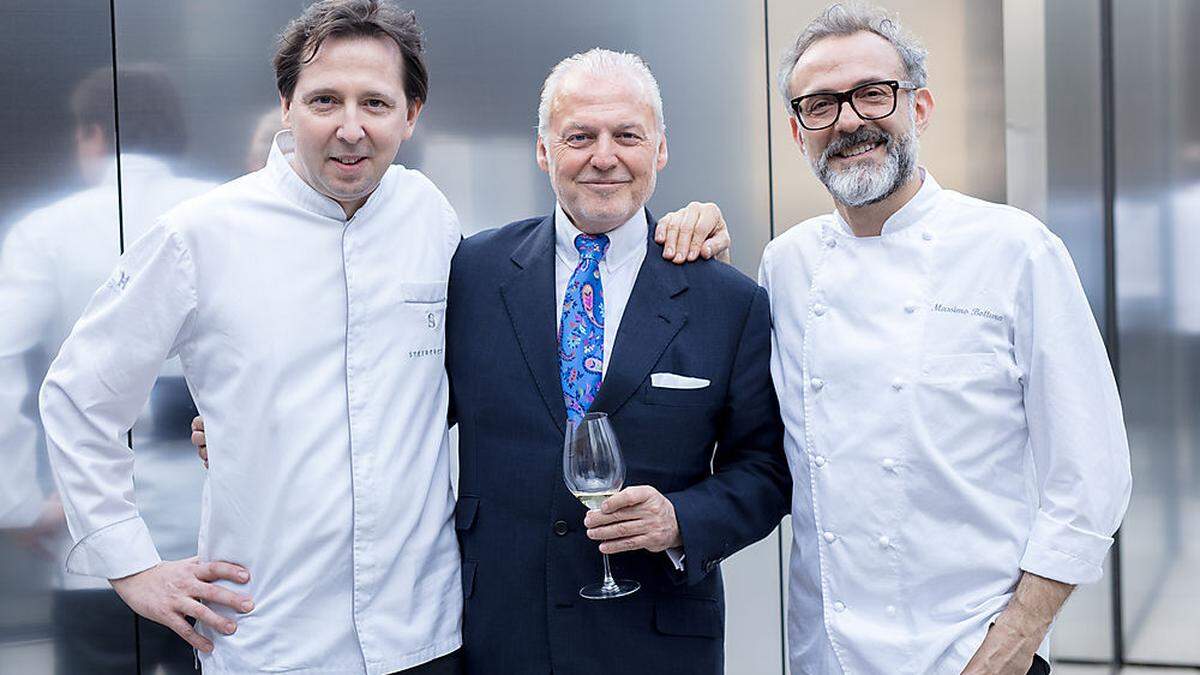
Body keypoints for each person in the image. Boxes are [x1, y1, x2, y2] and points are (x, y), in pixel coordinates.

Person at [41, 2, 728, 673]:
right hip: (273, 638)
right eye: (323, 101)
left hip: (426, 635)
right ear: (286, 106)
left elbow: (491, 358)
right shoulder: (198, 236)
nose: (350, 128)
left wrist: (686, 231)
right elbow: (79, 396)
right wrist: (129, 562)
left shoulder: (428, 215)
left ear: (410, 115)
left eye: (374, 103)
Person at [759, 3, 1132, 674]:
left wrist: (1012, 644)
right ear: (797, 131)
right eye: (820, 105)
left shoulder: (1016, 250)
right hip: (827, 655)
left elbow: (1091, 476)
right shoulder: (784, 265)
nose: (849, 121)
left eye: (874, 94)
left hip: (977, 655)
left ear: (920, 106)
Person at [444, 48, 791, 674]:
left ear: (659, 150)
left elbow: (766, 469)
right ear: (544, 151)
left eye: (626, 135)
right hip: (497, 634)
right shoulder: (471, 272)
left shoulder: (729, 302)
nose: (604, 156)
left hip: (655, 642)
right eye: (579, 136)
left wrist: (681, 519)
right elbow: (394, 407)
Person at [0, 64, 215, 673]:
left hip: (98, 542)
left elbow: (2, 357)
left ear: (93, 134)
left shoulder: (45, 232)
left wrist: (16, 500)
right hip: (225, 545)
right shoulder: (227, 216)